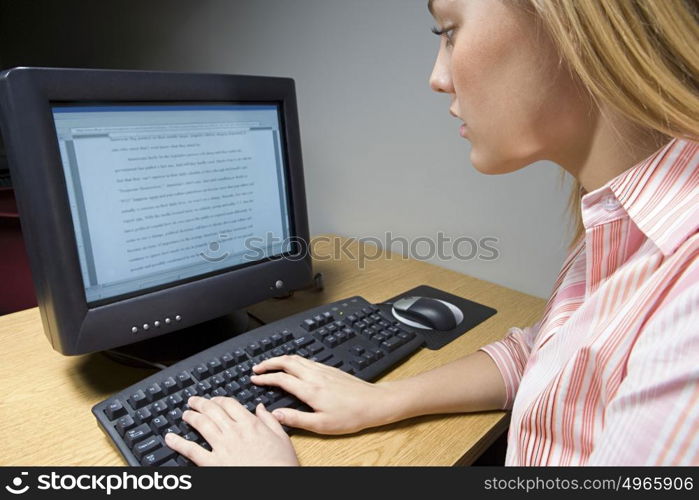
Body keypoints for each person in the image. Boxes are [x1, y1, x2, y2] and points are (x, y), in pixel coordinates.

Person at [164, 0, 699, 466]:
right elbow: (550, 360)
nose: (437, 77)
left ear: (570, 21)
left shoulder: (687, 297)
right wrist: (385, 399)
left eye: (449, 31)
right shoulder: (623, 220)